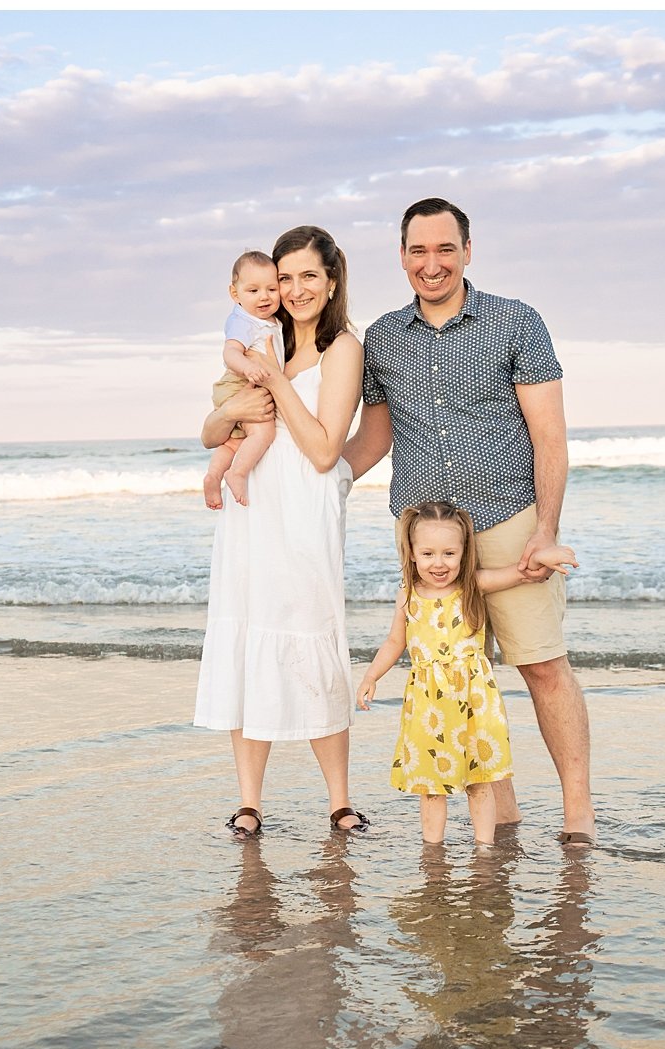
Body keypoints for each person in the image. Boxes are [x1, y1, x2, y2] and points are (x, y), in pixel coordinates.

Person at [343, 197, 597, 847]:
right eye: (419, 251)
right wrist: (312, 484)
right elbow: (372, 439)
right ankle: (502, 811)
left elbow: (551, 438)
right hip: (426, 538)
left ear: (468, 250)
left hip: (509, 515)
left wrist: (545, 530)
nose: (432, 264)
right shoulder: (383, 339)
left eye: (445, 248)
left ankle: (577, 812)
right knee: (453, 673)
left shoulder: (517, 323)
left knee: (542, 665)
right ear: (402, 256)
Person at [194, 225, 369, 837]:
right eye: (285, 277)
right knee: (249, 641)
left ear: (332, 280)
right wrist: (229, 410)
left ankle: (339, 800)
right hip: (250, 509)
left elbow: (323, 449)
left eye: (307, 277)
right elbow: (213, 433)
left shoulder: (343, 348)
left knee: (311, 634)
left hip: (304, 510)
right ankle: (249, 802)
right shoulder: (259, 339)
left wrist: (273, 382)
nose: (294, 289)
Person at [356, 501, 576, 846]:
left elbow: (519, 573)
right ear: (412, 554)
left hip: (474, 700)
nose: (439, 563)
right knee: (431, 787)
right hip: (429, 706)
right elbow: (395, 641)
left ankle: (484, 847)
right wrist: (371, 677)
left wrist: (546, 555)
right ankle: (433, 851)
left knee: (480, 780)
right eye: (428, 553)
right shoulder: (408, 595)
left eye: (449, 553)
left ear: (463, 553)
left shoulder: (472, 586)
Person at [203, 251, 284, 509]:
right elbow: (230, 353)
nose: (264, 296)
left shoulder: (267, 320)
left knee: (234, 441)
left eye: (272, 288)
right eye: (253, 290)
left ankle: (213, 476)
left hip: (242, 384)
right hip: (239, 382)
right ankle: (236, 474)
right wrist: (248, 368)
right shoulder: (243, 321)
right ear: (235, 294)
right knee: (263, 432)